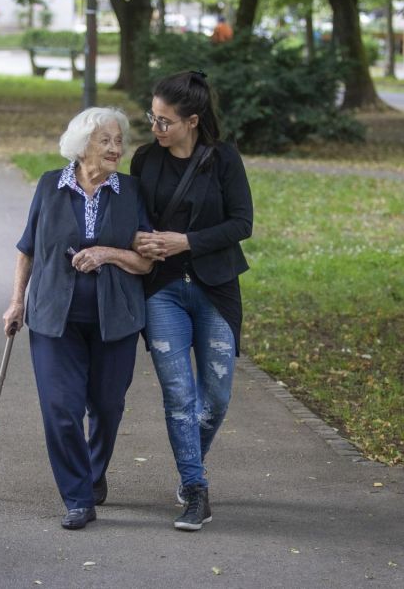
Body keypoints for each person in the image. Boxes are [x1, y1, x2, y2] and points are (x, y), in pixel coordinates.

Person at [2, 107, 152, 531]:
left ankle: (92, 469)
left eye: (119, 141)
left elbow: (146, 262)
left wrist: (109, 253)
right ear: (82, 143)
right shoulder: (50, 185)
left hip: (116, 319)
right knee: (61, 407)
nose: (116, 149)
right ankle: (77, 495)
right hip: (54, 317)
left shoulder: (131, 192)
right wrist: (17, 301)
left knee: (106, 406)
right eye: (106, 140)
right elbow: (27, 248)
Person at [130, 70, 254, 531]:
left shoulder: (224, 160)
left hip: (215, 289)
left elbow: (242, 223)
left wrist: (187, 242)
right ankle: (195, 489)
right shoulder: (145, 159)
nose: (155, 128)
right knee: (179, 395)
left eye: (164, 121)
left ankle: (189, 463)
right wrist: (140, 239)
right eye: (153, 117)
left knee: (216, 397)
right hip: (162, 291)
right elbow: (136, 215)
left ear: (193, 121)